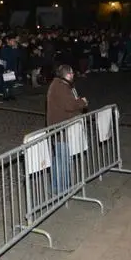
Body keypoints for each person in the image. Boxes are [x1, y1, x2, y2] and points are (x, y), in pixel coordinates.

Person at [46, 64, 87, 193]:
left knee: (59, 158)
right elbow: (69, 105)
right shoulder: (61, 87)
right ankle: (63, 187)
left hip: (60, 127)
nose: (74, 75)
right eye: (72, 73)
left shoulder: (60, 85)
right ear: (68, 75)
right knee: (63, 159)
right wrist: (82, 102)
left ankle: (57, 186)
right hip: (61, 128)